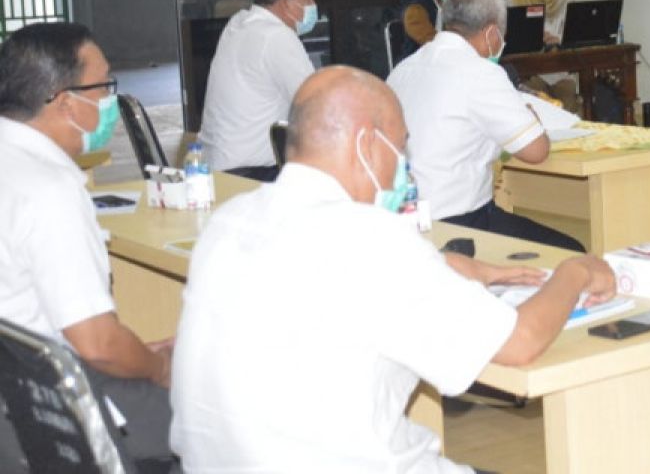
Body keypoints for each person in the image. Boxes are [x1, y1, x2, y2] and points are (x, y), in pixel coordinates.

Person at [170, 66, 615, 472]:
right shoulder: (372, 238)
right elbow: (520, 343)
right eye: (401, 146)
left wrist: (449, 268)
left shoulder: (230, 220)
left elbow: (323, 286)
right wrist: (574, 272)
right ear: (366, 144)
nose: (405, 165)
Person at [0, 23, 174, 467]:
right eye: (102, 88)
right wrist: (157, 369)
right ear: (63, 103)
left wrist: (131, 350)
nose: (108, 102)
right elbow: (96, 344)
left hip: (19, 395)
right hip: (63, 410)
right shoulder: (48, 188)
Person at [388, 0, 586, 251]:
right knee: (569, 250)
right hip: (457, 223)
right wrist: (532, 118)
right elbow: (536, 151)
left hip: (403, 221)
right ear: (492, 33)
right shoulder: (481, 73)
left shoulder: (404, 68)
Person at [199, 0, 317, 181]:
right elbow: (315, 102)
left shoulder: (240, 22)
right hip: (252, 174)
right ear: (285, 5)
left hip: (217, 167)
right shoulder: (276, 37)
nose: (313, 4)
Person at [509, 0, 582, 114]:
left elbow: (571, 34)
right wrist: (534, 39)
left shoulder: (567, 1)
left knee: (568, 97)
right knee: (535, 100)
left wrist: (559, 41)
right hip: (529, 71)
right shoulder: (515, 1)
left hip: (560, 68)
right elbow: (512, 39)